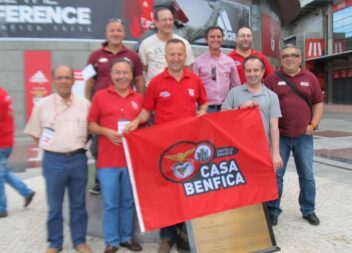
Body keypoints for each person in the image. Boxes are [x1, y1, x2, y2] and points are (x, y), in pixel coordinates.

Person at [126, 38, 208, 253]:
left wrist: (203, 111)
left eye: (179, 54)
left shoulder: (194, 80)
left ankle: (188, 234)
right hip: (166, 150)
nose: (176, 58)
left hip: (189, 147)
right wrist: (136, 122)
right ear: (165, 56)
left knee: (189, 190)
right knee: (168, 193)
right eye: (172, 54)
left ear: (185, 56)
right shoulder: (156, 83)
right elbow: (146, 110)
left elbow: (204, 102)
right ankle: (167, 238)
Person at [24, 66, 92, 253]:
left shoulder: (84, 104)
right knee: (54, 205)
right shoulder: (42, 105)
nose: (64, 81)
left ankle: (79, 241)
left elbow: (90, 131)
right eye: (60, 77)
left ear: (73, 80)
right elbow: (34, 133)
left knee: (78, 204)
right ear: (53, 79)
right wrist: (52, 147)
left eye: (67, 77)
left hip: (78, 159)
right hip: (53, 161)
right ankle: (55, 243)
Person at [264, 44, 324, 226]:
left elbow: (318, 103)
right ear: (281, 60)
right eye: (285, 56)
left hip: (303, 136)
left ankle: (308, 210)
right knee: (276, 176)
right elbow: (263, 101)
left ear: (300, 58)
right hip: (279, 136)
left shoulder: (310, 78)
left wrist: (313, 124)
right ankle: (273, 210)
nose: (289, 58)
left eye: (293, 55)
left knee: (306, 175)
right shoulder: (272, 79)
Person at [88, 58, 143, 253]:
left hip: (130, 162)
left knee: (128, 202)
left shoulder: (138, 98)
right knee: (110, 203)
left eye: (125, 73)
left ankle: (126, 238)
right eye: (117, 73)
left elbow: (144, 123)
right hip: (107, 161)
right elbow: (90, 124)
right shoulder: (100, 96)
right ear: (111, 75)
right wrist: (105, 132)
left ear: (131, 75)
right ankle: (111, 241)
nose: (122, 76)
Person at [85, 18, 145, 195]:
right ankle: (101, 180)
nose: (115, 34)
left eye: (119, 30)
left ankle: (128, 178)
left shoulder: (133, 56)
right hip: (103, 110)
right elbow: (89, 83)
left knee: (127, 147)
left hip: (127, 109)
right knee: (98, 147)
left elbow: (140, 81)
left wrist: (141, 104)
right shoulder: (94, 56)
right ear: (106, 33)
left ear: (123, 33)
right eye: (112, 30)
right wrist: (90, 105)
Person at [222, 55, 282, 171]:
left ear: (263, 71)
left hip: (263, 151)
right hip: (238, 151)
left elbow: (274, 127)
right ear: (244, 72)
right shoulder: (233, 93)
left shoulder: (272, 96)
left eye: (256, 70)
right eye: (248, 70)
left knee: (263, 187)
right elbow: (222, 118)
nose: (252, 74)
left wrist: (275, 154)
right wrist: (240, 109)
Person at [0, 87, 35, 218]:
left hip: (1, 141)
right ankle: (26, 192)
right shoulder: (4, 93)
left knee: (0, 176)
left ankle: (1, 208)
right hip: (6, 140)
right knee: (3, 172)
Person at [138, 7, 195, 86]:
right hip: (153, 92)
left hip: (176, 91)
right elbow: (144, 69)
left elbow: (187, 69)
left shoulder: (184, 44)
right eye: (164, 20)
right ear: (156, 22)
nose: (168, 23)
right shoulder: (146, 44)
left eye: (170, 19)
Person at [193, 26, 240, 112]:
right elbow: (194, 87)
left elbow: (236, 86)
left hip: (225, 108)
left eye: (219, 37)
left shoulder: (229, 62)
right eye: (212, 37)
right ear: (206, 39)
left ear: (222, 39)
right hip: (206, 109)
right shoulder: (198, 62)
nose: (216, 39)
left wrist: (235, 106)